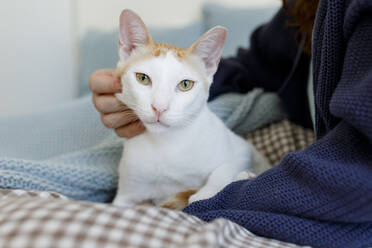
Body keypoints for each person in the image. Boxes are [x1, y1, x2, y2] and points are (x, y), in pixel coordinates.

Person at [90, 0, 372, 247]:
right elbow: (248, 67)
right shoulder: (300, 9)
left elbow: (358, 172)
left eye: (184, 85)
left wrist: (207, 200)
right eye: (143, 80)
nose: (159, 106)